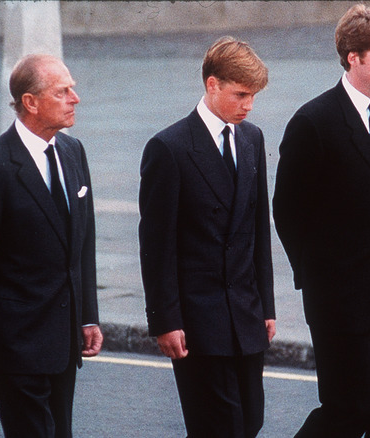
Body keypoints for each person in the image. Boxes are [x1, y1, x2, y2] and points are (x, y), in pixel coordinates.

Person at [273, 5, 370, 437]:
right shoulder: (313, 122)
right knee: (351, 409)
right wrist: (320, 279)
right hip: (340, 300)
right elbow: (287, 210)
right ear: (353, 57)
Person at [0, 53, 102, 438]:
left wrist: (87, 314)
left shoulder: (72, 151)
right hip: (17, 343)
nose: (75, 98)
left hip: (64, 339)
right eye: (63, 91)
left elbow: (82, 242)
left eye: (73, 89)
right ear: (30, 102)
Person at [138, 36, 275, 438]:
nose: (249, 105)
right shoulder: (169, 148)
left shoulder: (252, 139)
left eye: (254, 96)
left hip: (246, 314)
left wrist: (266, 305)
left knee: (250, 421)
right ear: (212, 85)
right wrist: (166, 320)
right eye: (241, 94)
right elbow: (156, 246)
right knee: (219, 427)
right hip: (197, 320)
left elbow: (258, 230)